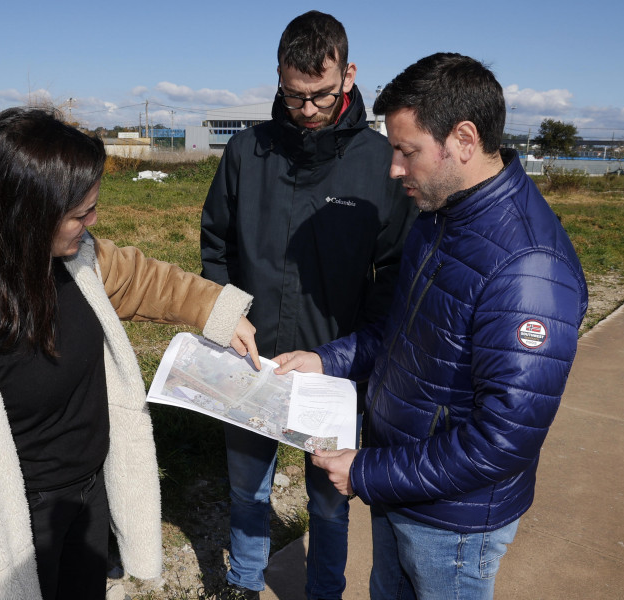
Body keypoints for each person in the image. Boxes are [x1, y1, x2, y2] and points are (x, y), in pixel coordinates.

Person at [0, 107, 260, 600]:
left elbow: (148, 280)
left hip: (88, 497)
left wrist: (218, 309)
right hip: (20, 526)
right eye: (80, 213)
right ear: (28, 214)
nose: (92, 223)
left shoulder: (79, 260)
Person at [273, 53, 588, 600]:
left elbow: (502, 440)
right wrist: (327, 360)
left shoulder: (530, 268)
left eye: (407, 151)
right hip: (399, 482)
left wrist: (369, 473)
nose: (394, 169)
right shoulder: (438, 218)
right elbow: (400, 335)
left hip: (453, 522)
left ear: (463, 139)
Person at [200, 11, 416, 600]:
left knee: (328, 501)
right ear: (278, 78)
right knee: (247, 489)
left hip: (333, 369)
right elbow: (216, 243)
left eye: (320, 96)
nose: (308, 111)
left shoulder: (380, 163)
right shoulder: (248, 151)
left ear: (348, 75)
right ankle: (244, 583)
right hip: (251, 361)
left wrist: (352, 354)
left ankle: (323, 591)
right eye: (293, 97)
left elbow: (395, 269)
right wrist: (226, 318)